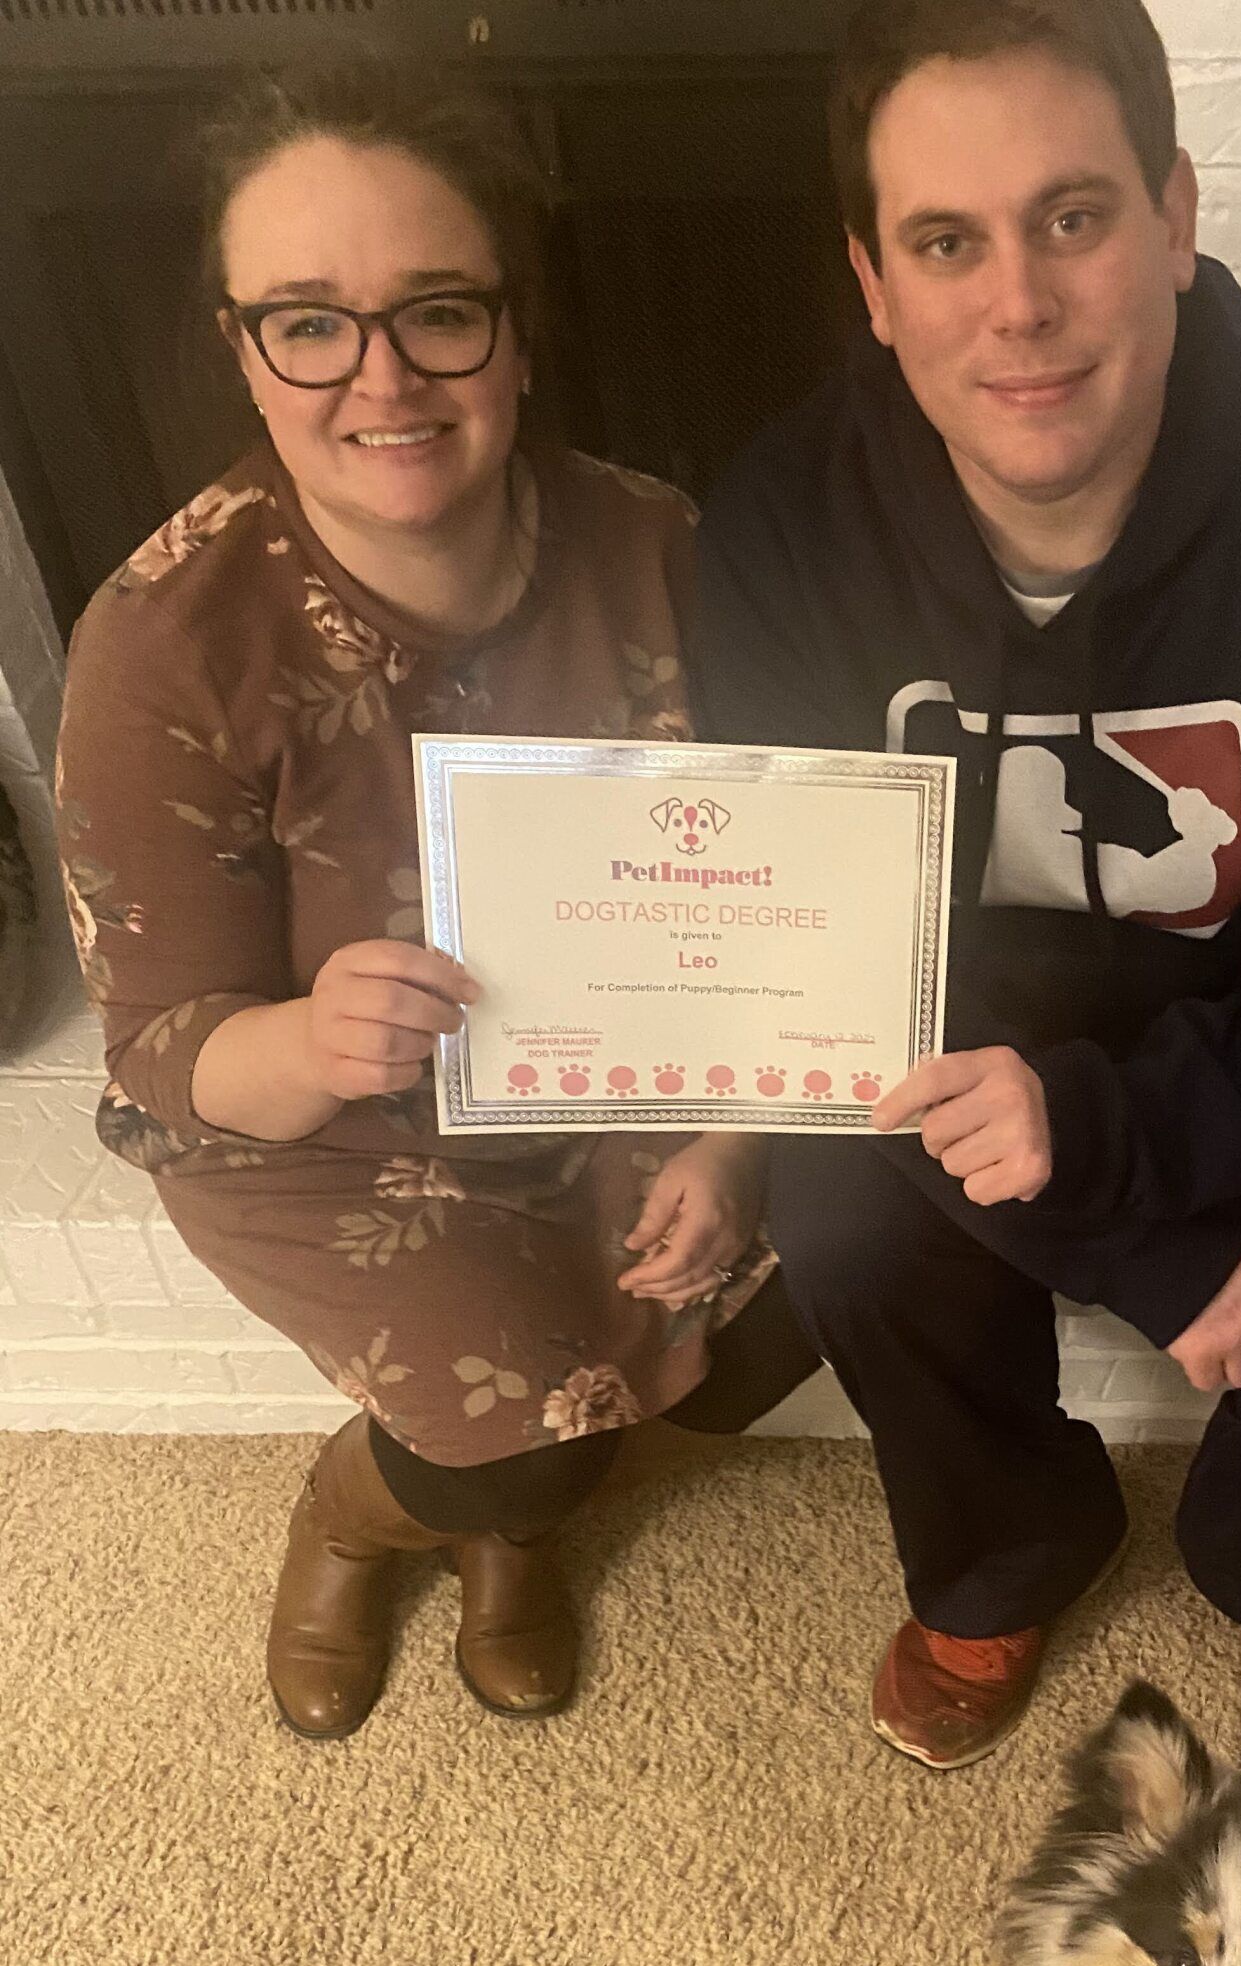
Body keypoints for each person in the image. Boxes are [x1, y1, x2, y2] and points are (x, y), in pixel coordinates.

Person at [692, 0, 1241, 1770]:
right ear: (874, 279)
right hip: (948, 1052)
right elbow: (821, 963)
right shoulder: (777, 519)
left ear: (1173, 214)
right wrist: (1142, 1242)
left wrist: (1127, 1136)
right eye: (948, 241)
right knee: (837, 1199)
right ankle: (1009, 1539)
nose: (1018, 302)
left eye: (1072, 216)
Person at [55, 60, 816, 1741]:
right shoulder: (160, 646)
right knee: (506, 1450)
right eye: (310, 323)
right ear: (246, 355)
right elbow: (167, 1054)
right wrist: (315, 1038)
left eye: (438, 312)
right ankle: (373, 1512)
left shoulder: (660, 544)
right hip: (326, 1125)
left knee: (808, 1299)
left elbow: (769, 901)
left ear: (516, 334)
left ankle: (510, 1508)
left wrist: (739, 1133)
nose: (381, 376)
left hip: (629, 1069)